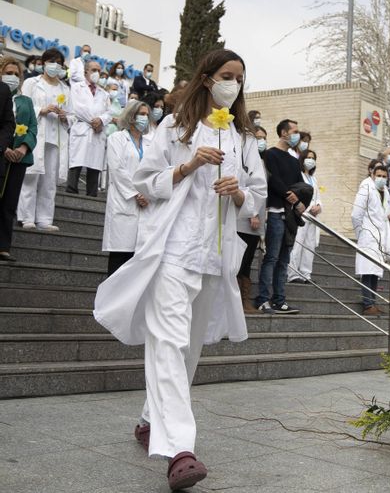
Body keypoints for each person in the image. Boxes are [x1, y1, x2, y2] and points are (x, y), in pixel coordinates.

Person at [93, 49, 266, 491]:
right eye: (227, 75)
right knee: (167, 344)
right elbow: (144, 180)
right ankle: (181, 451)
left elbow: (258, 196)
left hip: (214, 256)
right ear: (207, 79)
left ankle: (151, 418)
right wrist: (187, 167)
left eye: (240, 78)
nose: (234, 84)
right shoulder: (175, 127)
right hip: (172, 249)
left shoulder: (244, 138)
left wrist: (240, 194)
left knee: (187, 351)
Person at [254, 119, 304, 314]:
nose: (296, 135)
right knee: (272, 257)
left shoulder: (293, 160)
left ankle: (280, 300)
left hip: (291, 216)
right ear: (284, 133)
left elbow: (301, 185)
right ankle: (263, 298)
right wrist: (289, 196)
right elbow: (273, 179)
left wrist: (300, 200)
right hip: (275, 213)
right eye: (294, 131)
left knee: (284, 260)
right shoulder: (270, 155)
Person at [17, 48, 70, 232]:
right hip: (35, 135)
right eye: (51, 61)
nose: (54, 65)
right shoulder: (32, 82)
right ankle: (26, 217)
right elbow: (22, 104)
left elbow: (73, 116)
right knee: (31, 176)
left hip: (55, 138)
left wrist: (64, 116)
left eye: (58, 62)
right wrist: (42, 109)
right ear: (44, 62)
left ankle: (45, 219)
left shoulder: (65, 88)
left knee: (49, 180)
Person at [102, 101, 151, 275]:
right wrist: (137, 193)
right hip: (124, 201)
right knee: (119, 256)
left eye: (146, 114)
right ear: (131, 116)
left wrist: (148, 194)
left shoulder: (150, 142)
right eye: (141, 114)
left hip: (146, 204)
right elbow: (117, 169)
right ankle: (110, 301)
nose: (144, 118)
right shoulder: (116, 138)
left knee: (136, 259)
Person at [0, 58, 34, 262]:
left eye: (15, 74)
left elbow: (33, 127)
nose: (11, 77)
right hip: (1, 153)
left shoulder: (25, 101)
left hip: (18, 158)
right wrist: (3, 148)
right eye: (8, 72)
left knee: (10, 201)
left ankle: (4, 246)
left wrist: (22, 147)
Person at [352, 163, 390, 315]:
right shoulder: (366, 188)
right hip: (368, 235)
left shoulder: (385, 191)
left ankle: (373, 302)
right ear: (372, 175)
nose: (381, 179)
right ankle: (367, 303)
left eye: (384, 177)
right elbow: (356, 214)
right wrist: (361, 234)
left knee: (375, 271)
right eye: (379, 176)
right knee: (367, 271)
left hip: (380, 237)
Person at [236, 126, 268, 314]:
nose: (260, 142)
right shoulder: (242, 159)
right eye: (257, 138)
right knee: (240, 262)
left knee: (247, 262)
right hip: (245, 219)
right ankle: (239, 301)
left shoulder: (261, 162)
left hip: (257, 222)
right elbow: (247, 188)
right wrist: (253, 213)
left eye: (263, 138)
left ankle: (244, 300)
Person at [67, 60, 110, 196]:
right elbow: (77, 108)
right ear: (86, 72)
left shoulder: (104, 93)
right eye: (94, 70)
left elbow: (109, 112)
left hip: (97, 132)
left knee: (94, 164)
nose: (97, 73)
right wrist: (94, 121)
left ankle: (92, 193)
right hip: (82, 127)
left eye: (99, 71)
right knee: (76, 161)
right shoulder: (76, 88)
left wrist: (101, 120)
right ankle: (72, 190)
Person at [288, 149, 322, 283]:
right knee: (298, 244)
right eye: (308, 157)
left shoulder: (313, 178)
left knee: (309, 245)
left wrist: (318, 206)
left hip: (312, 217)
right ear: (302, 159)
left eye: (313, 158)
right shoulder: (298, 175)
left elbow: (318, 197)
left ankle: (305, 273)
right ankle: (292, 273)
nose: (311, 160)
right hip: (301, 214)